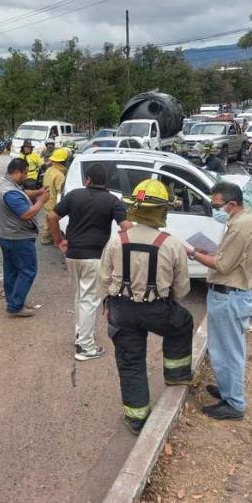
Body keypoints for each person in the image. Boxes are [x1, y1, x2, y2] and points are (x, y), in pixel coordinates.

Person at [98, 179, 193, 435]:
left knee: (130, 362)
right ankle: (176, 374)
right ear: (162, 210)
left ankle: (137, 418)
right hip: (158, 310)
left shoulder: (116, 241)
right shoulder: (172, 244)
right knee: (182, 323)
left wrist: (108, 305)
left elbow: (104, 280)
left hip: (122, 311)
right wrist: (167, 300)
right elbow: (182, 288)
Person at [188, 182, 252, 421]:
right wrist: (210, 252)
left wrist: (193, 253)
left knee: (228, 352)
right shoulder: (244, 219)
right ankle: (229, 392)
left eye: (217, 204)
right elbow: (228, 256)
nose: (215, 208)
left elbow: (223, 265)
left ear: (231, 204)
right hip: (230, 293)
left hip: (229, 294)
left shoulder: (240, 227)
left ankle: (235, 405)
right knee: (226, 349)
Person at [46, 163, 132, 361]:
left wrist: (59, 240)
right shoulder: (113, 201)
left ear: (88, 180)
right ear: (105, 182)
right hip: (94, 257)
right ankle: (85, 347)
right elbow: (125, 227)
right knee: (90, 299)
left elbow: (51, 216)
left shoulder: (75, 195)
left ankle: (81, 333)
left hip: (72, 255)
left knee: (80, 295)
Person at [0, 158, 50, 317]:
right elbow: (26, 214)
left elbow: (23, 194)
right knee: (28, 270)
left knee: (12, 269)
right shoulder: (10, 192)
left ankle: (13, 300)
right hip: (17, 237)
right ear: (17, 172)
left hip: (6, 234)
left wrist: (38, 192)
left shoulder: (5, 183)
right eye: (24, 173)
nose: (26, 176)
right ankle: (16, 306)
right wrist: (41, 201)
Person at [41, 147, 69, 245]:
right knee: (53, 221)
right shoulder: (59, 175)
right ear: (63, 162)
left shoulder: (50, 170)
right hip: (53, 203)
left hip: (47, 200)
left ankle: (47, 237)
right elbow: (60, 192)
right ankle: (52, 239)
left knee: (48, 220)